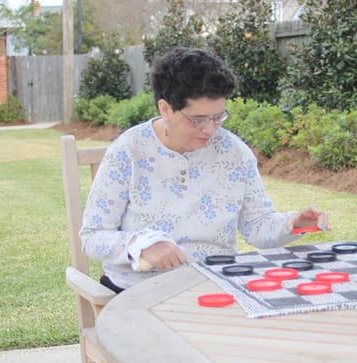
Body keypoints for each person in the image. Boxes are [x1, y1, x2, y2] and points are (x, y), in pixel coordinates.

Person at [80, 47, 330, 292]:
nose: (210, 130)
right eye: (198, 120)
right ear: (165, 109)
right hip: (140, 291)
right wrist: (141, 245)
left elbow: (257, 227)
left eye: (218, 117)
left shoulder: (234, 153)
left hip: (217, 285)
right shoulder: (128, 152)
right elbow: (92, 237)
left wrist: (294, 223)